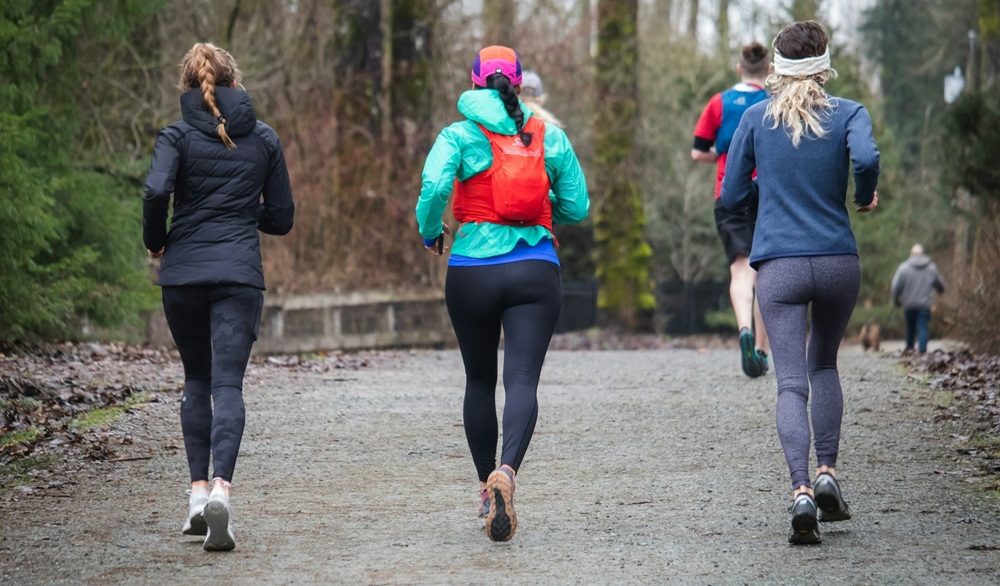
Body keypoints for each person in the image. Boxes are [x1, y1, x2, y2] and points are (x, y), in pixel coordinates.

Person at [414, 46, 589, 542]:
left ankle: (485, 489)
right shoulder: (546, 134)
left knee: (477, 382)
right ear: (516, 82)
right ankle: (507, 473)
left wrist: (432, 231)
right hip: (535, 268)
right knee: (522, 381)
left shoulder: (459, 134)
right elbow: (578, 207)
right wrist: (542, 199)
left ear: (474, 83)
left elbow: (432, 186)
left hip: (472, 270)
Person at [721, 21, 880, 544]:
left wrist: (751, 207)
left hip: (780, 266)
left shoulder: (756, 118)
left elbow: (731, 193)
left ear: (777, 66)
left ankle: (802, 492)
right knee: (825, 363)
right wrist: (863, 194)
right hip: (837, 260)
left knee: (790, 383)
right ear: (824, 62)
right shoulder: (849, 113)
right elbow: (869, 159)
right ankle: (829, 471)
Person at [143, 42, 294, 552]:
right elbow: (282, 218)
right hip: (238, 276)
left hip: (183, 274)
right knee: (227, 383)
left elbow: (155, 191)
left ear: (189, 86)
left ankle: (195, 496)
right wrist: (239, 213)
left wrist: (155, 239)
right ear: (235, 83)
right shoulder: (265, 139)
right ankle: (223, 493)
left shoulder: (176, 136)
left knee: (196, 378)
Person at [692, 42, 772, 378]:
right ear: (768, 71)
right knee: (766, 272)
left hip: (727, 194)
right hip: (767, 195)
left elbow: (698, 152)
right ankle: (762, 352)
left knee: (740, 270)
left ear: (739, 68)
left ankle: (743, 330)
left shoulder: (718, 103)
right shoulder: (773, 103)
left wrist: (723, 158)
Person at [891, 244, 946, 354]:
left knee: (910, 329)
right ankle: (922, 353)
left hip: (909, 304)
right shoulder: (931, 268)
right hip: (925, 305)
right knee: (923, 328)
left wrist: (896, 301)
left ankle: (910, 350)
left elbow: (895, 287)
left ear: (911, 254)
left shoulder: (903, 268)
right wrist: (940, 291)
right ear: (922, 254)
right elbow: (940, 284)